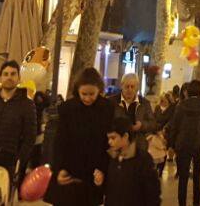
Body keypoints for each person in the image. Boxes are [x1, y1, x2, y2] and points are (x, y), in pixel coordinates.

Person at [51, 68, 115, 206]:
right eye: (83, 94)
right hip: (69, 170)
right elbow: (60, 142)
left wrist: (103, 169)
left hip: (94, 173)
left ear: (99, 90)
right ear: (77, 90)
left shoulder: (107, 109)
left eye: (92, 94)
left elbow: (109, 143)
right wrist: (59, 169)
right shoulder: (67, 109)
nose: (87, 98)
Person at [171, 79, 200, 206]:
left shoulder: (181, 105)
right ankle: (196, 203)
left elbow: (175, 125)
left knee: (183, 178)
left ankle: (182, 203)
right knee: (198, 178)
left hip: (183, 144)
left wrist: (171, 144)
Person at [104, 112, 161, 206]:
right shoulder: (113, 157)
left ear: (125, 136)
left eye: (113, 138)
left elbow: (152, 192)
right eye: (108, 138)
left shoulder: (142, 159)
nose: (109, 142)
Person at [116, 73, 157, 154]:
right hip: (117, 146)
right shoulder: (112, 102)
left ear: (137, 88)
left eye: (132, 87)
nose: (130, 89)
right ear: (121, 86)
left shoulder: (145, 103)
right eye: (127, 86)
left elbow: (153, 124)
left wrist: (141, 125)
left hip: (138, 146)